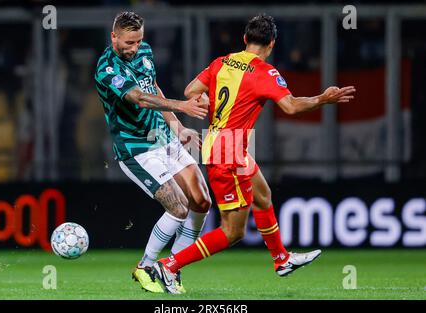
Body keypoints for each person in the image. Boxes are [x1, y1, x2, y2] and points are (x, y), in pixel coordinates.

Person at [151, 14, 356, 294]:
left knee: (263, 196)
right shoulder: (264, 72)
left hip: (225, 145)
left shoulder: (221, 62)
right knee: (232, 231)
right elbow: (292, 106)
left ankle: (281, 259)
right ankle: (169, 265)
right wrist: (323, 99)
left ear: (245, 39)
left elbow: (190, 91)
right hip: (228, 153)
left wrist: (211, 101)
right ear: (271, 44)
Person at [94, 11, 212, 293]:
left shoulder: (144, 51)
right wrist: (181, 106)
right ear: (114, 36)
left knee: (202, 200)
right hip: (136, 148)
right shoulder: (106, 69)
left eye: (138, 41)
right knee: (179, 206)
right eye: (128, 42)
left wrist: (177, 125)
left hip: (162, 136)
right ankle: (145, 266)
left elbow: (152, 86)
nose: (134, 48)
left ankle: (172, 269)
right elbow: (140, 98)